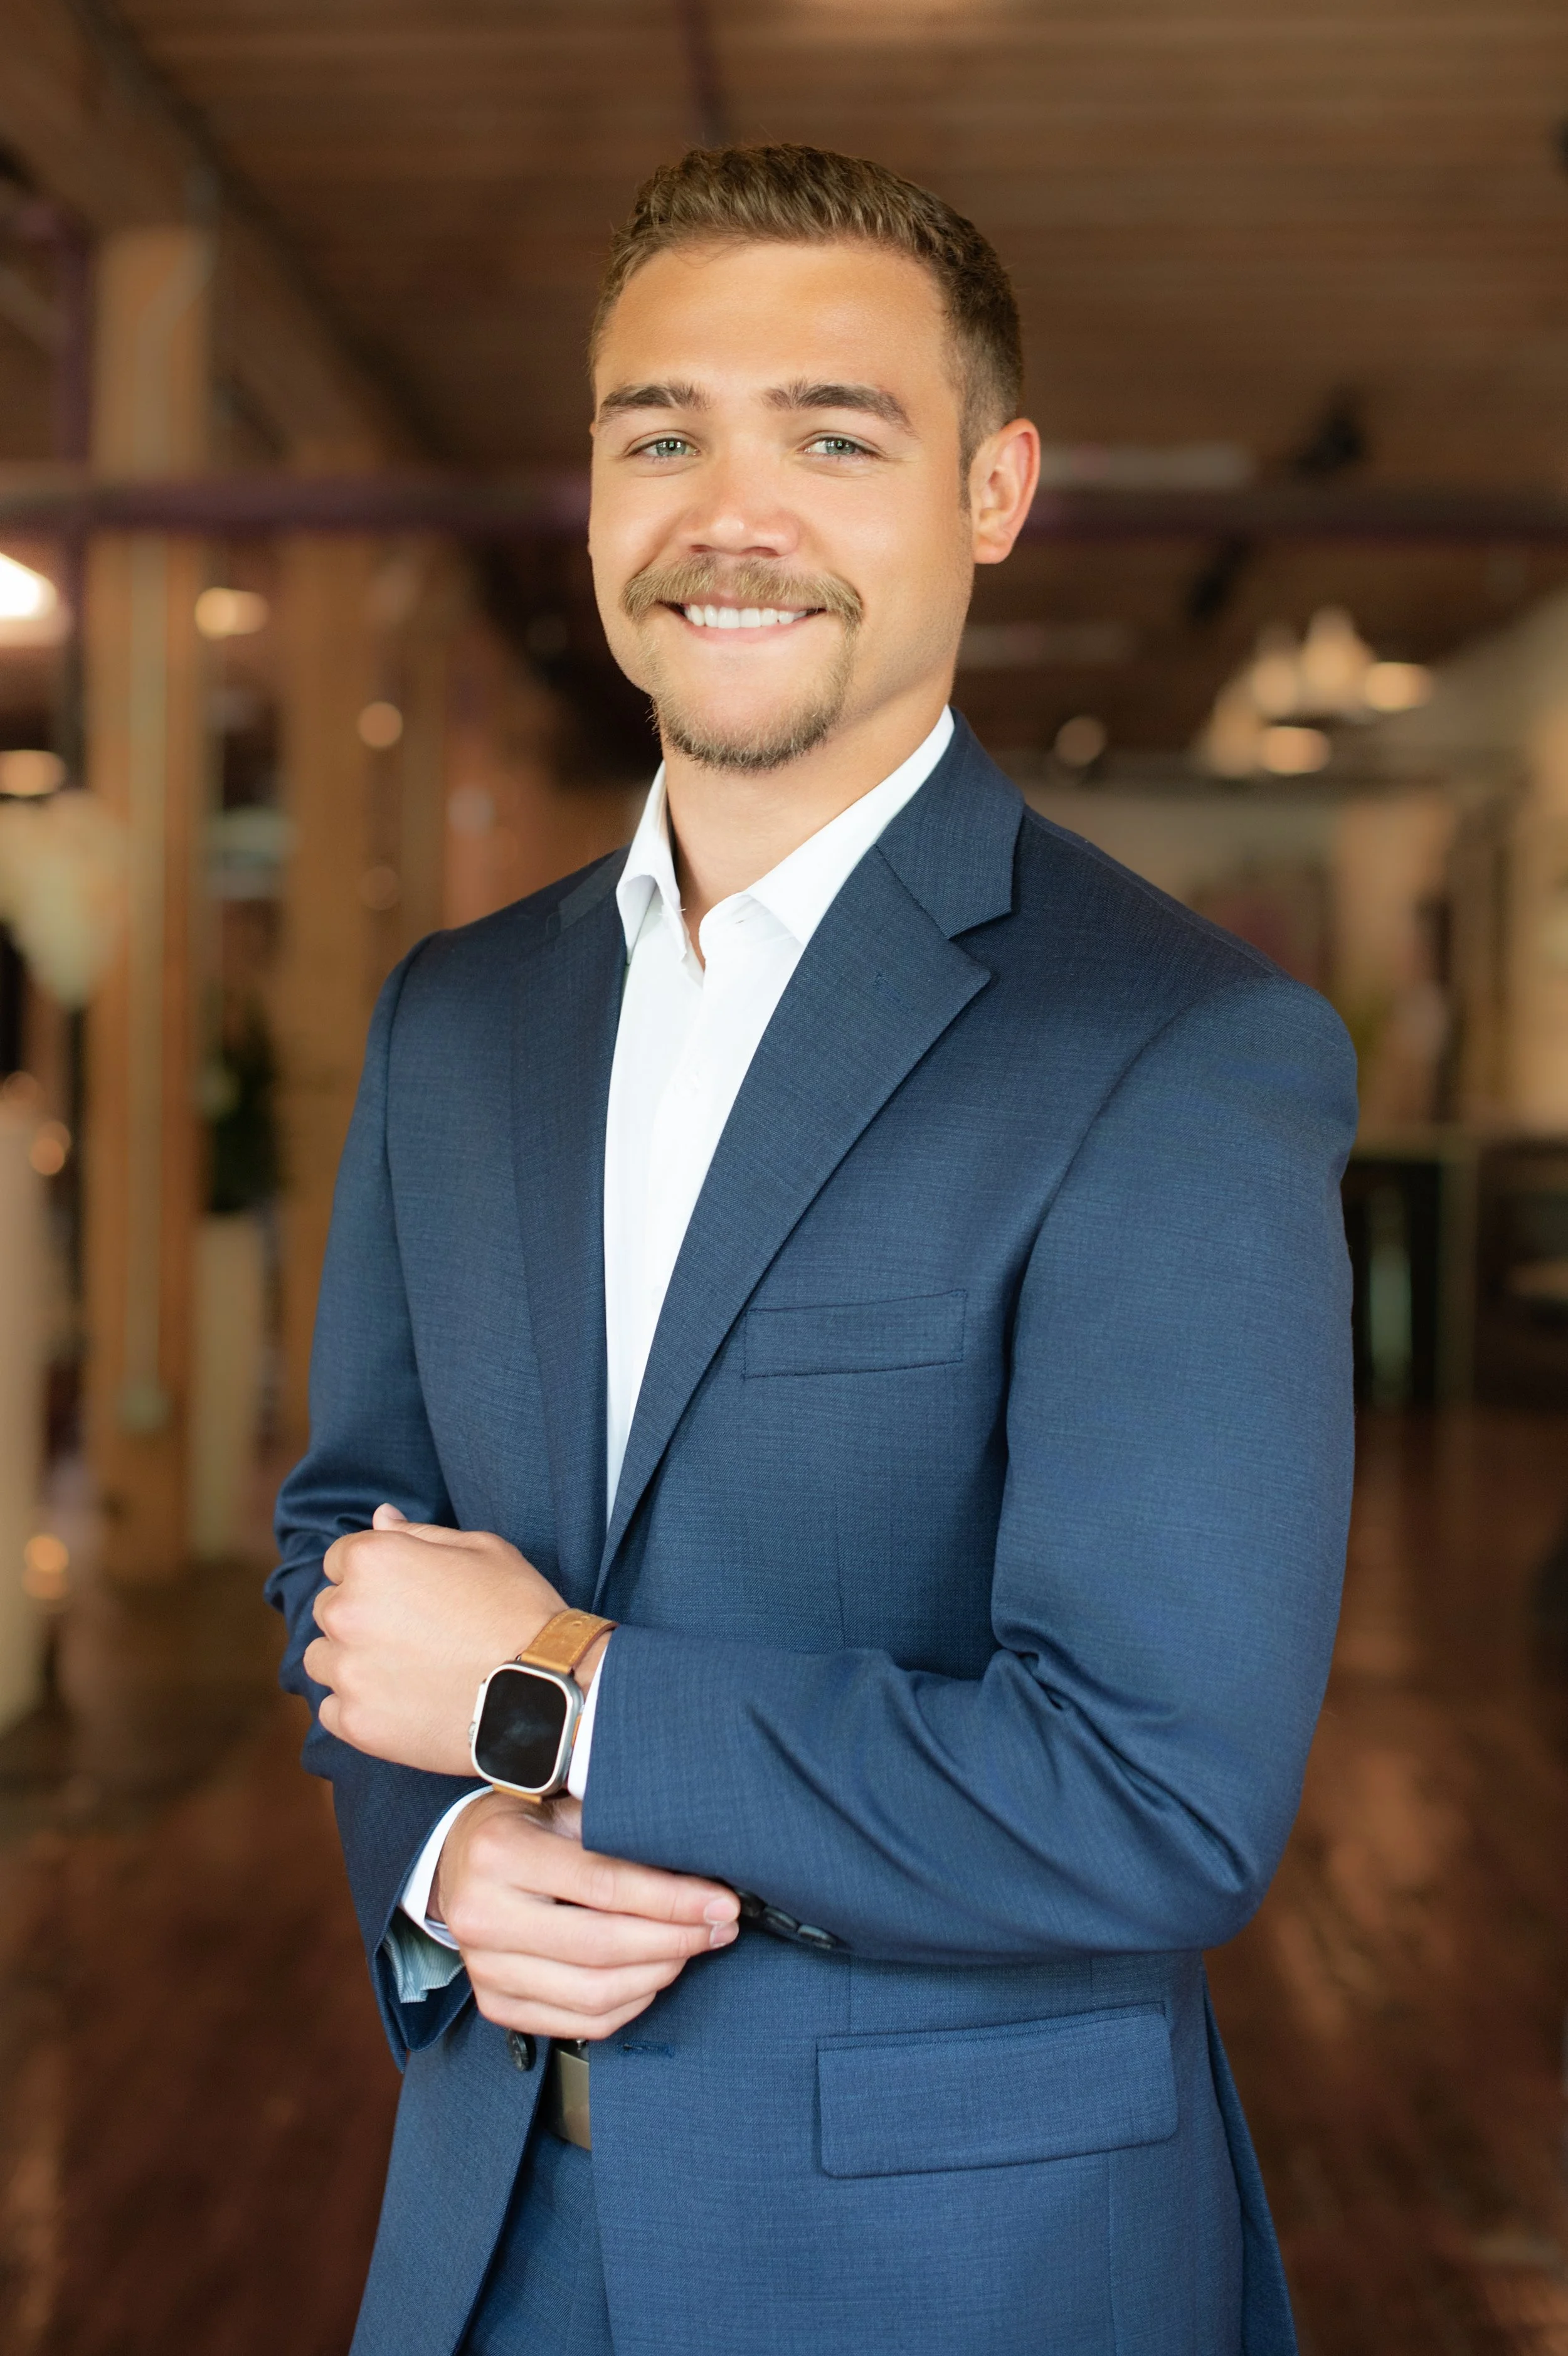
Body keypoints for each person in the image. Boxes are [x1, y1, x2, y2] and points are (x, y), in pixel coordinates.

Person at [269, 144, 1356, 2356]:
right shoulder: (458, 1014)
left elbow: (1155, 1799)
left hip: (952, 2263)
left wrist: (552, 1699)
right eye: (657, 432)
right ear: (589, 492)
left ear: (993, 488)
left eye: (833, 435)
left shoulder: (1178, 1047)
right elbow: (349, 1542)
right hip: (489, 2230)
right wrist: (447, 1852)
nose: (723, 512)